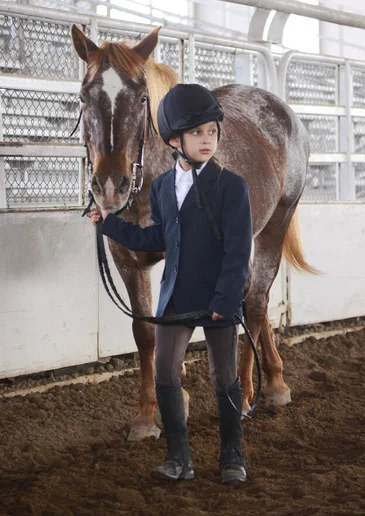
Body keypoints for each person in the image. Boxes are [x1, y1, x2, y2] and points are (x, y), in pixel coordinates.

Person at [89, 83, 252, 484]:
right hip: (176, 298)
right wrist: (109, 225)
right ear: (175, 140)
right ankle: (179, 458)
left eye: (212, 132)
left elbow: (237, 252)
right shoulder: (162, 187)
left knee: (223, 377)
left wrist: (227, 298)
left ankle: (232, 455)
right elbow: (157, 239)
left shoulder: (232, 187)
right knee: (164, 374)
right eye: (198, 133)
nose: (207, 140)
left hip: (217, 299)